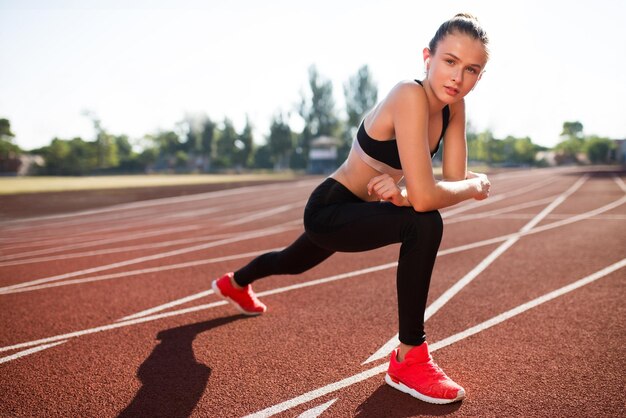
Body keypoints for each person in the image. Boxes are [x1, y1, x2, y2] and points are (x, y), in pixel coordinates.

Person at [212, 13, 491, 404]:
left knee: (292, 260)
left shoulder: (453, 108)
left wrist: (414, 194)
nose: (457, 77)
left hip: (362, 213)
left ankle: (235, 283)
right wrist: (460, 188)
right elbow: (440, 194)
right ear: (427, 57)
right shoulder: (408, 95)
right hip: (330, 208)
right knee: (423, 224)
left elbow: (449, 182)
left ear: (480, 76)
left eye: (471, 69)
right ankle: (409, 359)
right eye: (450, 62)